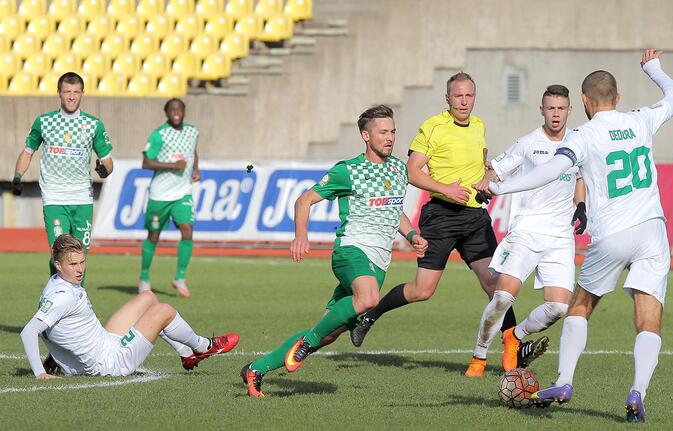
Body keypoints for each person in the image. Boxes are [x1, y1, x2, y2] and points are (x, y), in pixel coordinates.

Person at [481, 50, 673, 422]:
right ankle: (638, 390)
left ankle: (564, 381)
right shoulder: (640, 119)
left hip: (612, 232)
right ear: (618, 98)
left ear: (585, 102)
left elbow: (548, 171)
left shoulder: (584, 135)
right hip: (653, 230)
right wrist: (653, 69)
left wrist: (500, 188)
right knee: (649, 316)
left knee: (580, 305)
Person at [350, 72, 542, 376]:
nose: (464, 102)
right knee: (422, 291)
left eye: (469, 96)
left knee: (496, 285)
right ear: (447, 98)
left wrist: (487, 179)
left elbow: (482, 164)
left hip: (474, 218)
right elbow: (412, 172)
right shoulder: (432, 127)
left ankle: (513, 348)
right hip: (440, 215)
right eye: (458, 96)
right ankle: (372, 313)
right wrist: (445, 188)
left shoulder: (479, 126)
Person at [240, 105, 428, 397]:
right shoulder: (348, 170)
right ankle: (307, 342)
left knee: (328, 333)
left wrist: (412, 233)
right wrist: (301, 236)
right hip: (351, 250)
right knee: (368, 299)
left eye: (392, 131)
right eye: (383, 132)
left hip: (378, 262)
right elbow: (304, 201)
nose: (390, 137)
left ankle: (256, 369)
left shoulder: (398, 170)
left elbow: (394, 209)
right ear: (366, 136)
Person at [467, 85, 587, 377]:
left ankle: (514, 337)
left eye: (561, 108)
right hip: (526, 230)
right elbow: (497, 169)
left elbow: (581, 176)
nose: (556, 114)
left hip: (560, 236)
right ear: (542, 110)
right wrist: (487, 183)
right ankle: (479, 357)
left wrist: (580, 205)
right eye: (550, 108)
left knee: (559, 307)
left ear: (569, 110)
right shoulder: (528, 143)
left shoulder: (579, 142)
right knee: (503, 298)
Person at [20, 234, 239, 378]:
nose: (80, 269)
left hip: (105, 343)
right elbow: (29, 332)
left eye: (82, 262)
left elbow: (54, 330)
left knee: (148, 297)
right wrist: (40, 372)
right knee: (164, 311)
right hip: (110, 363)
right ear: (57, 265)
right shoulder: (63, 296)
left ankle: (186, 353)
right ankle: (204, 346)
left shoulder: (57, 281)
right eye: (73, 264)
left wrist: (56, 357)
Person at [12, 72, 113, 284]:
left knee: (78, 256)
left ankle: (78, 302)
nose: (71, 96)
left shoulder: (93, 125)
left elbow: (107, 160)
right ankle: (58, 298)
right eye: (67, 91)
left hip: (82, 198)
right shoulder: (44, 122)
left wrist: (104, 170)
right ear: (59, 92)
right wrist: (17, 177)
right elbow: (28, 151)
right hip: (54, 197)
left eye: (76, 92)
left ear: (82, 94)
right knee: (60, 252)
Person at [138, 98, 200, 298]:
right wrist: (173, 166)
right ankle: (145, 277)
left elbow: (192, 151)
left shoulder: (192, 132)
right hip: (160, 195)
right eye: (172, 110)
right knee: (153, 236)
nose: (176, 112)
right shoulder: (159, 135)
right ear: (167, 113)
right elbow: (146, 162)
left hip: (182, 192)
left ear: (184, 112)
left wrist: (196, 169)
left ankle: (179, 277)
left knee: (187, 230)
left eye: (179, 109)